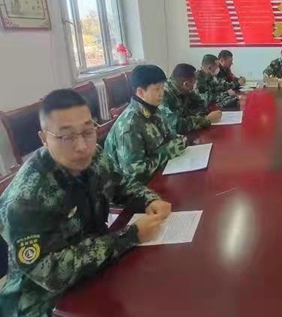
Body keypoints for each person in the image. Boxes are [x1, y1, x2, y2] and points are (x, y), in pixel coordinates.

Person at [0, 89, 170, 317]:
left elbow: (119, 184)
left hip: (95, 271)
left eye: (88, 131)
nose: (82, 146)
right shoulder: (25, 199)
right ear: (44, 139)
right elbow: (52, 273)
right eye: (66, 136)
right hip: (43, 304)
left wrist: (148, 199)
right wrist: (130, 235)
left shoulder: (94, 155)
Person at [105, 65, 187, 184]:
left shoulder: (153, 109)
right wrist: (168, 152)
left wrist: (179, 140)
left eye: (162, 87)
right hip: (137, 188)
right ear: (140, 92)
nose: (162, 93)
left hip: (162, 174)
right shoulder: (130, 125)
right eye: (157, 89)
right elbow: (135, 174)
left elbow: (169, 136)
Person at [161, 63, 222, 134]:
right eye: (194, 83)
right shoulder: (164, 95)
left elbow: (200, 104)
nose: (195, 87)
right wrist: (206, 119)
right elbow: (174, 126)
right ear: (186, 84)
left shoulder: (185, 89)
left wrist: (201, 115)